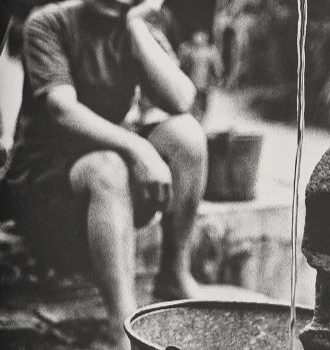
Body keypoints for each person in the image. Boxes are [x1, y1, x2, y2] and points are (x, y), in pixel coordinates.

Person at [5, 0, 207, 348]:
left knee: (186, 137)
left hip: (107, 183)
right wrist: (138, 148)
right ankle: (122, 327)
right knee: (108, 168)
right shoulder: (50, 22)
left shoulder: (135, 27)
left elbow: (182, 98)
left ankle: (174, 275)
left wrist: (135, 27)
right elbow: (61, 108)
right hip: (43, 187)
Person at [179, 30, 223, 121]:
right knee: (199, 102)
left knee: (198, 101)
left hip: (199, 83)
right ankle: (198, 118)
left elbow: (182, 64)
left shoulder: (192, 51)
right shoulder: (208, 51)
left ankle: (197, 118)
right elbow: (218, 68)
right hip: (198, 83)